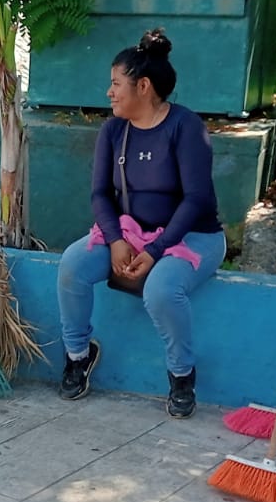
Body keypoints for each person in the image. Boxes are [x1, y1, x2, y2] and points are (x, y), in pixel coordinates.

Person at [55, 30, 226, 417]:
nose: (109, 93)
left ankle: (181, 374)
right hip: (130, 233)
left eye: (116, 84)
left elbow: (196, 200)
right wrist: (116, 240)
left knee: (162, 290)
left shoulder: (186, 128)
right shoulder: (114, 130)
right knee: (71, 266)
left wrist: (154, 250)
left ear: (143, 86)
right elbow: (100, 194)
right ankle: (78, 354)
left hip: (192, 236)